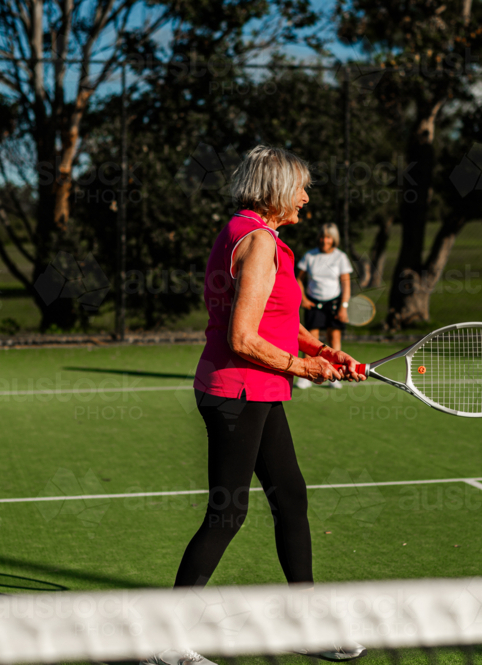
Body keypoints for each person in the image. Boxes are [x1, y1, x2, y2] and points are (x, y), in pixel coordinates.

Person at [143, 146, 366, 665]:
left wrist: (321, 349)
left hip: (255, 391)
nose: (307, 198)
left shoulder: (244, 230)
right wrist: (305, 368)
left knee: (290, 496)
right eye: (301, 189)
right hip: (237, 392)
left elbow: (277, 317)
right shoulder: (260, 243)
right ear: (277, 193)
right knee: (227, 514)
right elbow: (242, 337)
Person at [294, 224, 354, 390]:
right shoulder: (310, 256)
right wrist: (303, 299)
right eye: (322, 236)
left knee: (334, 338)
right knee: (310, 340)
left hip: (334, 302)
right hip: (313, 302)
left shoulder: (340, 257)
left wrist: (344, 306)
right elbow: (298, 279)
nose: (324, 240)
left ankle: (334, 375)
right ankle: (306, 374)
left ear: (334, 239)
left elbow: (346, 284)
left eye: (328, 237)